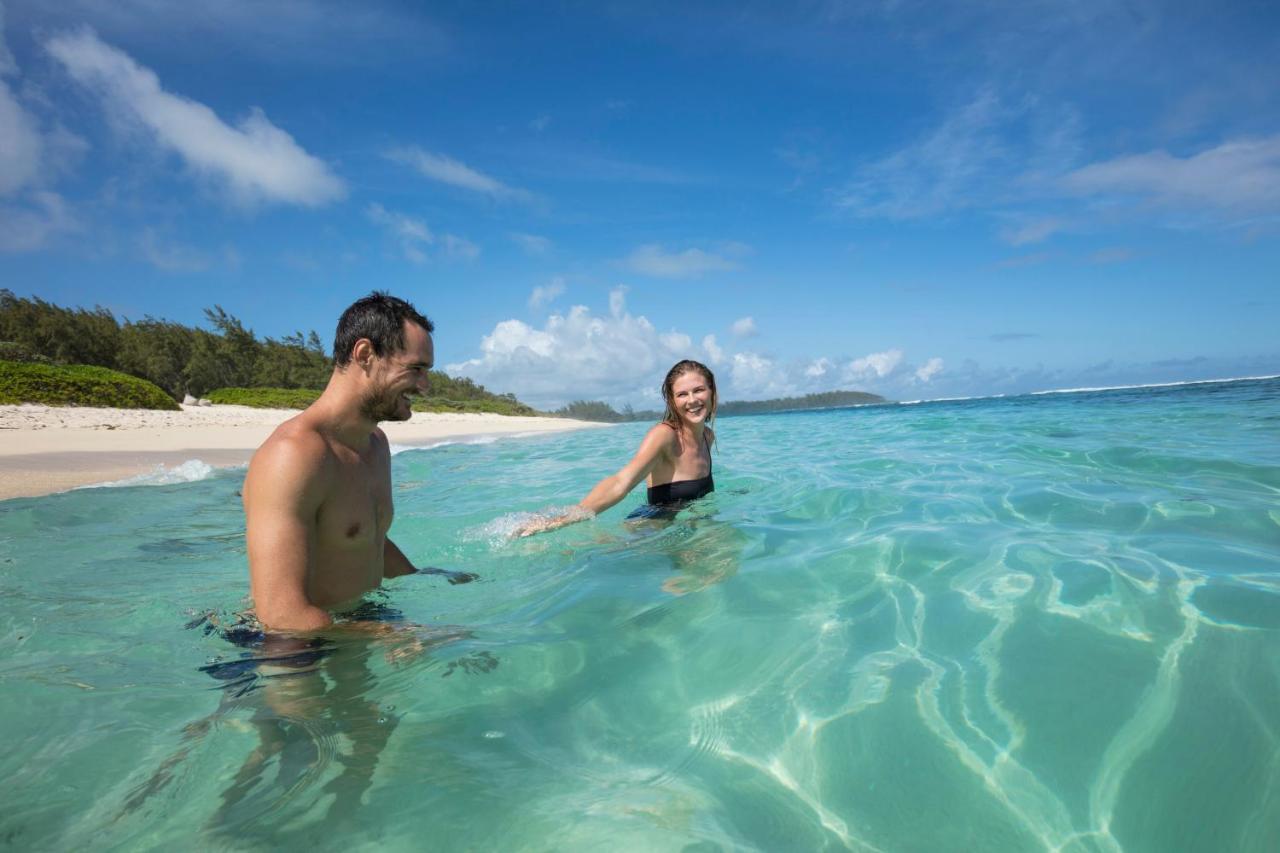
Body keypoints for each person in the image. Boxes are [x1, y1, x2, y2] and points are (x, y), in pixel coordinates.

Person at [242, 291, 470, 633]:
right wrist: (391, 636)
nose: (425, 386)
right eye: (416, 369)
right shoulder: (293, 456)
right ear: (365, 354)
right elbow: (280, 615)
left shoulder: (375, 444)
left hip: (351, 622)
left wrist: (420, 576)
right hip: (287, 647)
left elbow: (364, 538)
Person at [518, 359, 718, 537]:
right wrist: (565, 519)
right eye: (682, 394)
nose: (692, 400)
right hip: (649, 530)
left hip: (684, 529)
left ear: (712, 391)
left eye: (698, 390)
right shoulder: (664, 435)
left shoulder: (707, 437)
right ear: (673, 402)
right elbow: (621, 481)